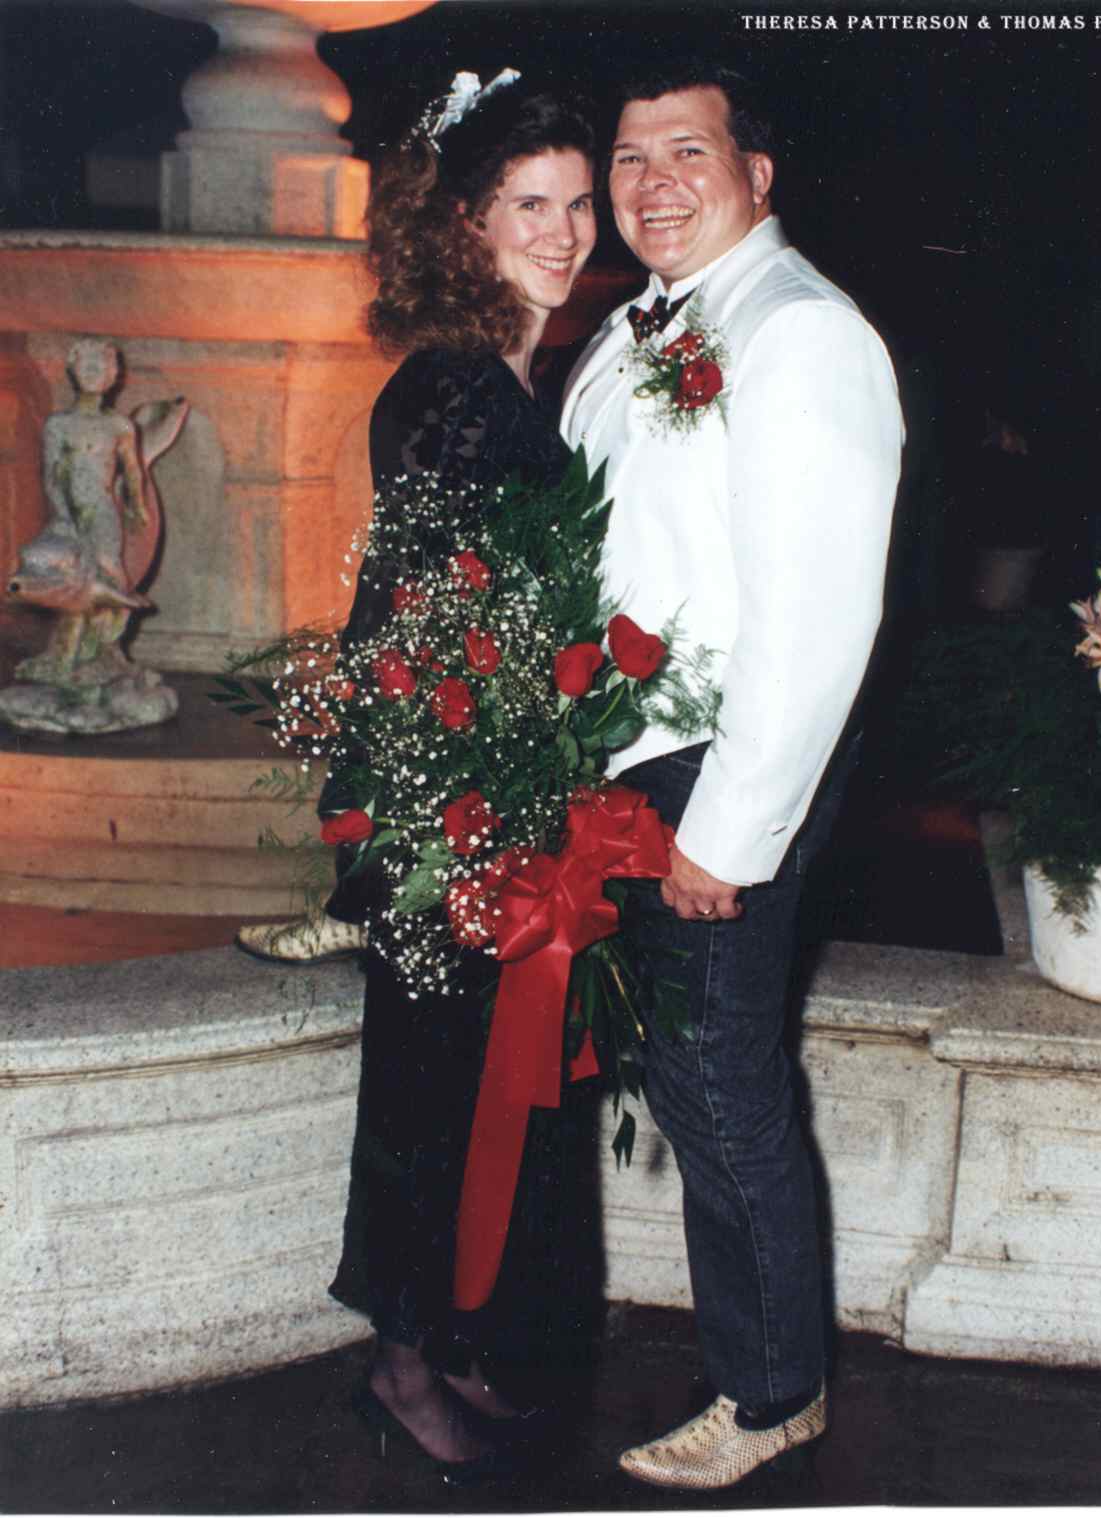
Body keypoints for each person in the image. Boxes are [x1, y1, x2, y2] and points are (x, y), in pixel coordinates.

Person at [561, 61, 903, 1490]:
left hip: (718, 774)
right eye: (629, 157)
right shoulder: (641, 322)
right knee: (698, 1082)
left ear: (757, 175)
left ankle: (771, 1396)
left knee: (718, 1085)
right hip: (638, 760)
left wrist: (730, 829)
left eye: (686, 151)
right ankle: (765, 1371)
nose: (651, 182)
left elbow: (818, 616)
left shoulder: (799, 331)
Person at [314, 74, 597, 1483]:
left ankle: (450, 1337)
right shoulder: (454, 387)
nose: (562, 232)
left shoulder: (495, 371)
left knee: (469, 1093)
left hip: (471, 795)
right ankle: (400, 1363)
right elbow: (426, 617)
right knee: (425, 1100)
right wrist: (457, 810)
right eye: (528, 205)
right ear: (467, 221)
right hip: (445, 809)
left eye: (578, 203)